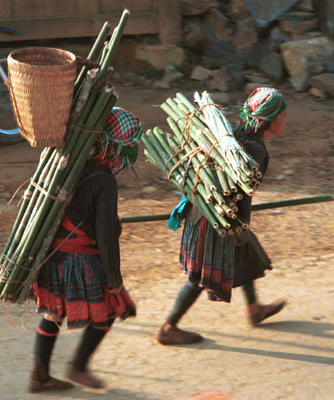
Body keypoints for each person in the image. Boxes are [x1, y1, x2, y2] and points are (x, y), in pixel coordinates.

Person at [157, 87, 287, 345]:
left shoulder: (236, 135)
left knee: (246, 250)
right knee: (199, 276)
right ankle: (168, 327)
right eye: (282, 115)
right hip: (216, 217)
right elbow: (238, 189)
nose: (285, 120)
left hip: (206, 207)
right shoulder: (255, 150)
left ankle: (254, 309)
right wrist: (238, 224)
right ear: (269, 120)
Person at [28, 107, 144, 392]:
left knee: (55, 313)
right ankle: (78, 367)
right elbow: (106, 237)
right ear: (113, 145)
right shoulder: (103, 179)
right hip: (79, 258)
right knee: (109, 310)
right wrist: (116, 283)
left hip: (53, 256)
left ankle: (39, 376)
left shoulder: (67, 163)